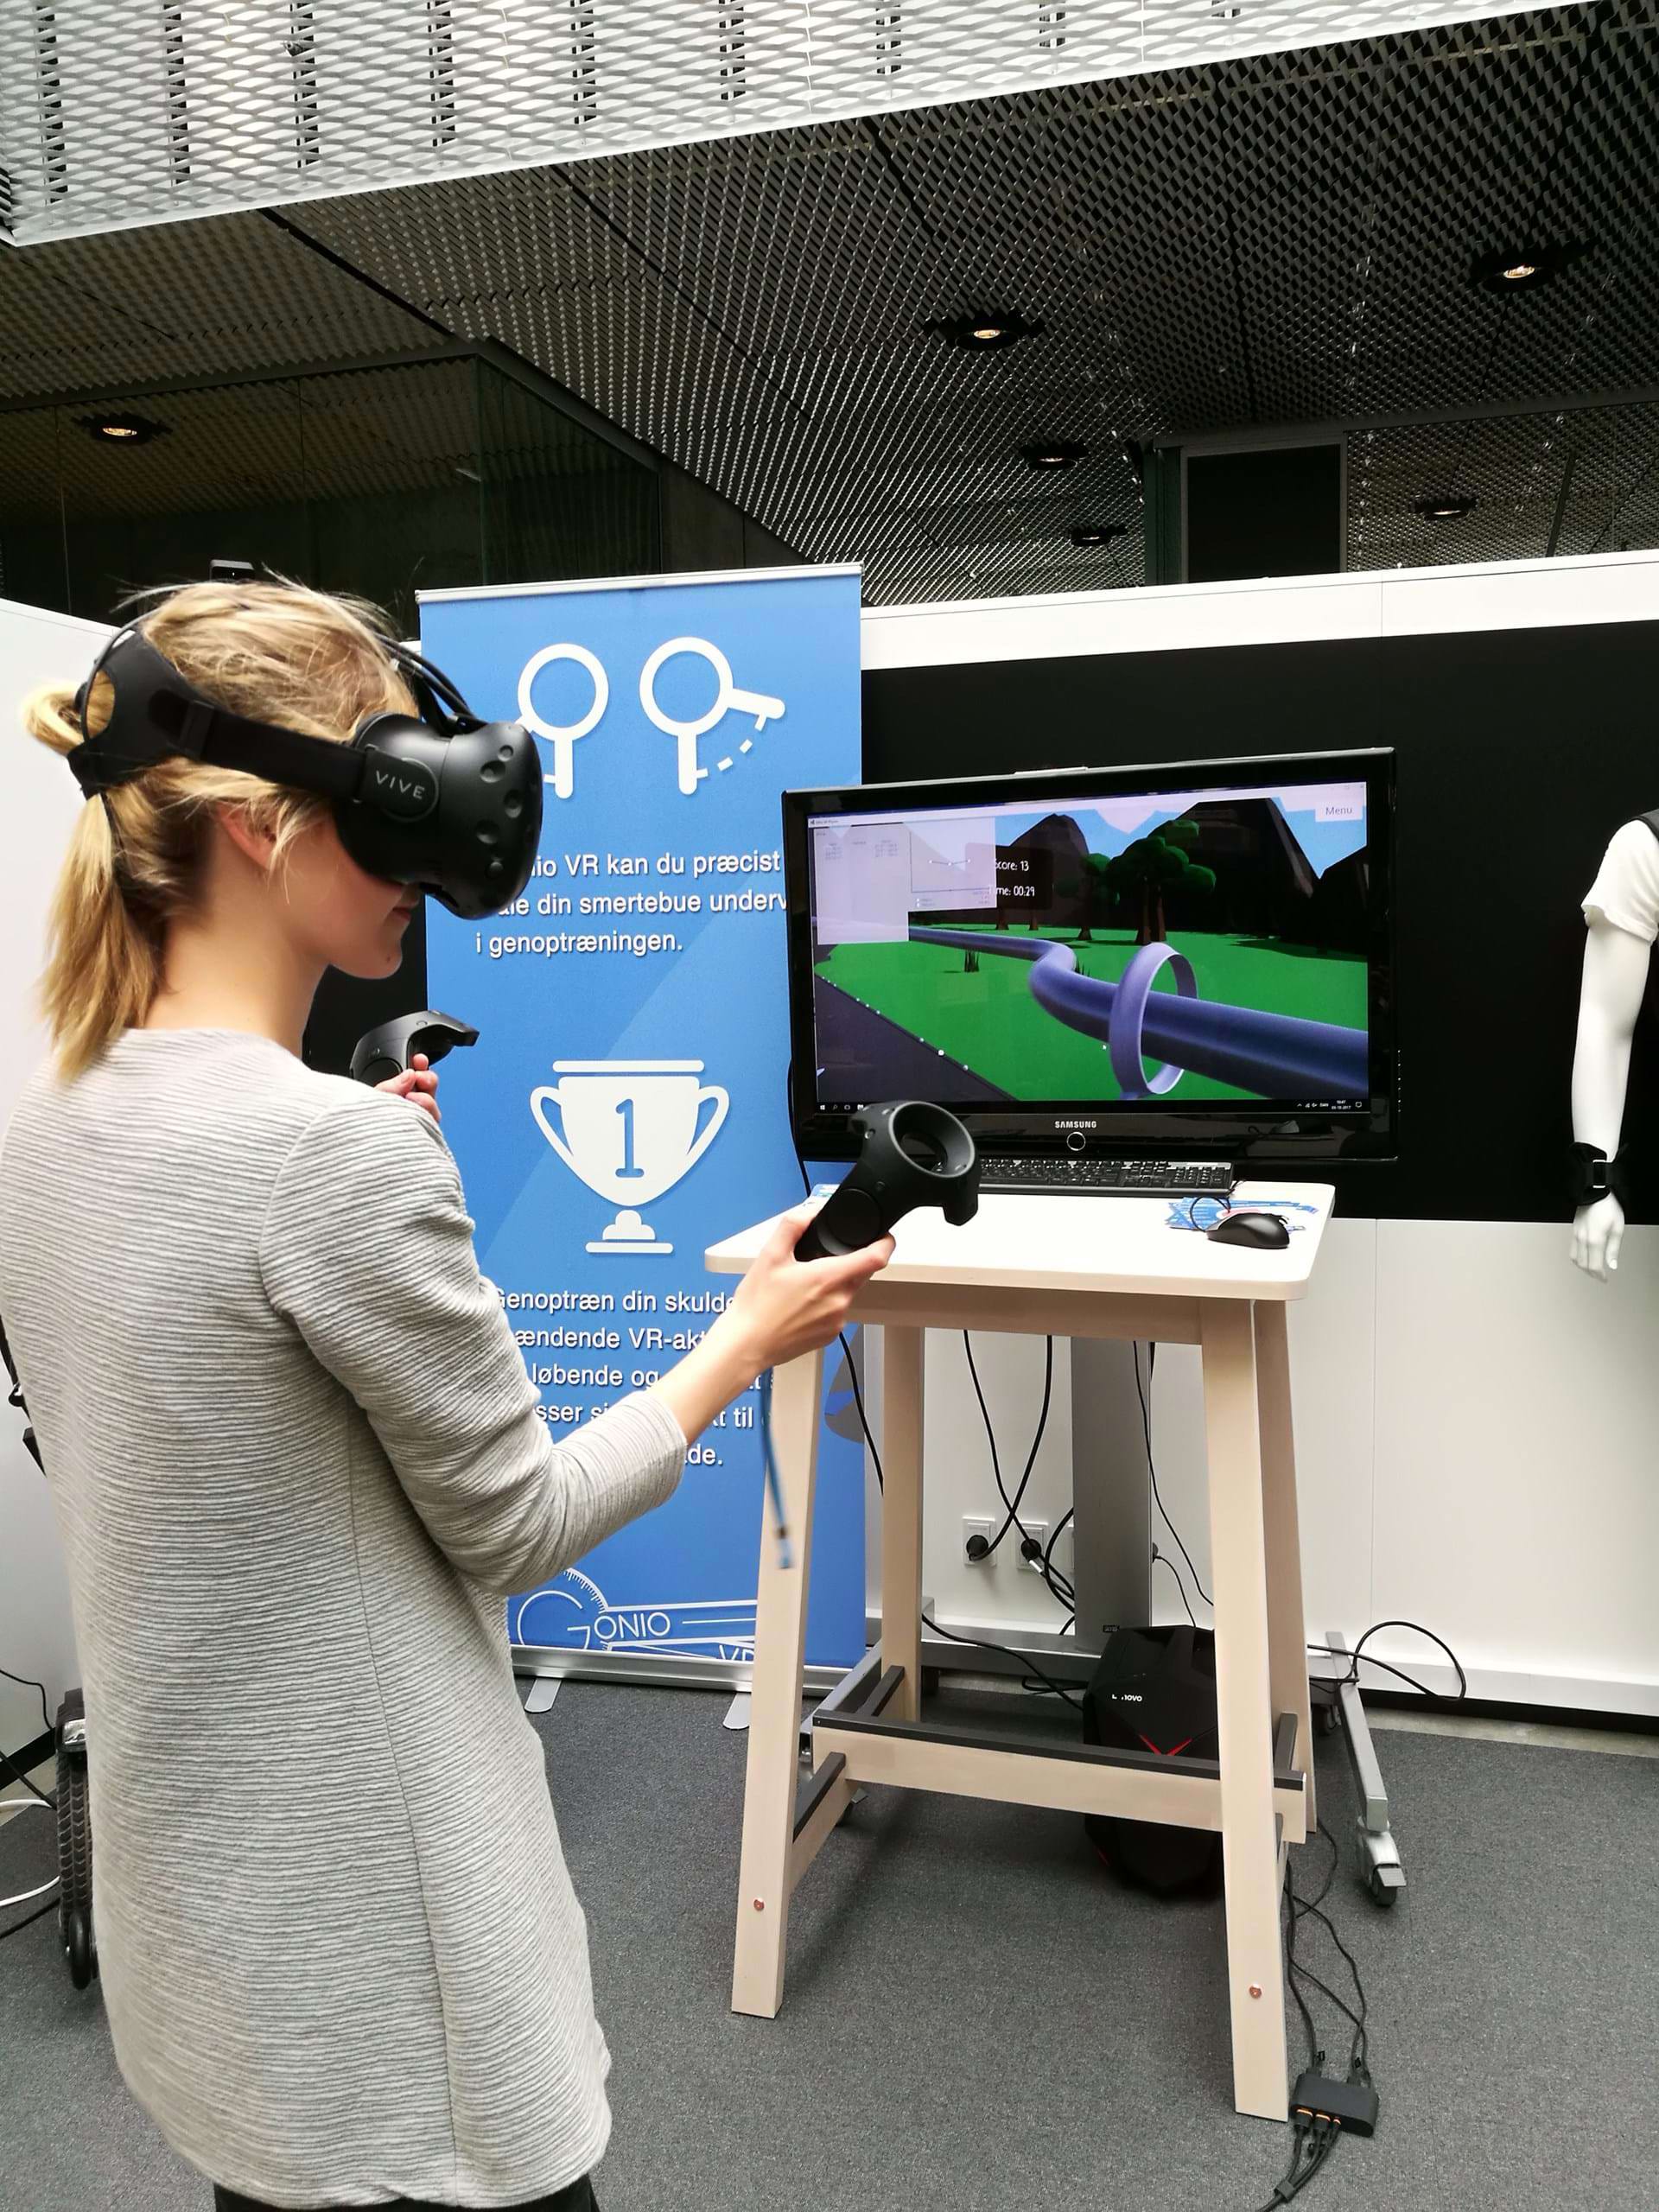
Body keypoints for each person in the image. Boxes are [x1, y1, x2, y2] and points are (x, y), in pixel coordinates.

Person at [0, 579, 892, 2211]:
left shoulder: (42, 1122)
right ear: (262, 825)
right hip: (391, 1958)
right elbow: (519, 1527)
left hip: (211, 1935)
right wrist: (745, 1340)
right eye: (395, 786)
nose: (430, 855)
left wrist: (361, 1170)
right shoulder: (323, 1157)